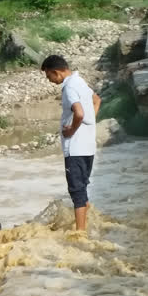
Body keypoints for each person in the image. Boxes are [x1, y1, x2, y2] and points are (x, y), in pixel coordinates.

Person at [41, 55, 101, 232]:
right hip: (88, 146)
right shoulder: (80, 82)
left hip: (75, 148)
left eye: (49, 76)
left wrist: (72, 130)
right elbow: (97, 100)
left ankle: (80, 232)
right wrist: (89, 123)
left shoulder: (69, 88)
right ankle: (90, 222)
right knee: (82, 187)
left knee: (76, 190)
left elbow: (79, 113)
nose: (50, 81)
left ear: (56, 72)